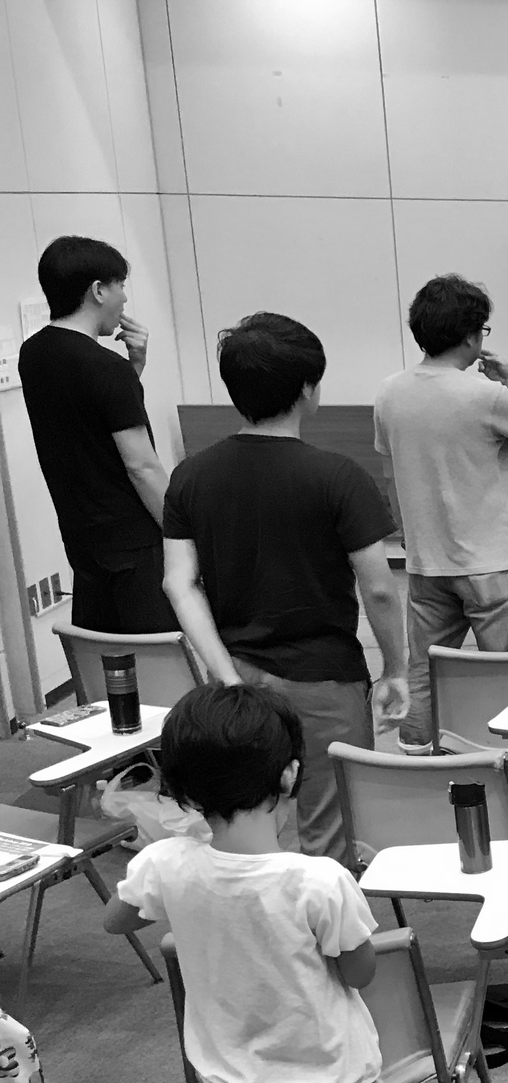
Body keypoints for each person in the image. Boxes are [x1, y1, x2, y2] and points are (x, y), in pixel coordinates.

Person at [102, 683, 407, 1083]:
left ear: (182, 787)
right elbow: (359, 973)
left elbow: (117, 920)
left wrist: (177, 863)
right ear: (288, 775)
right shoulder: (320, 881)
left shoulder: (165, 864)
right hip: (325, 1082)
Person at [162, 314, 410, 865]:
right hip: (325, 681)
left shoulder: (191, 476)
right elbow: (380, 590)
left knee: (244, 828)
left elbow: (179, 583)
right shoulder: (340, 477)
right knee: (330, 832)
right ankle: (323, 920)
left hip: (238, 674)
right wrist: (396, 669)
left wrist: (226, 676)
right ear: (306, 389)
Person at [374, 274, 508, 785]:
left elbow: (390, 475)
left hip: (425, 562)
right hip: (493, 566)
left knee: (424, 671)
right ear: (474, 336)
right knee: (505, 677)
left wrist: (410, 534)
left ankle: (420, 773)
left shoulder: (389, 393)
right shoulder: (487, 395)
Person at [18, 235, 176, 633]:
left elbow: (89, 419)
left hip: (82, 537)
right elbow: (142, 467)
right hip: (133, 542)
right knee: (155, 655)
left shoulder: (33, 354)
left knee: (106, 653)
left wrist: (133, 368)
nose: (124, 297)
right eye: (120, 285)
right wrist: (182, 534)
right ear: (98, 291)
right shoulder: (106, 368)